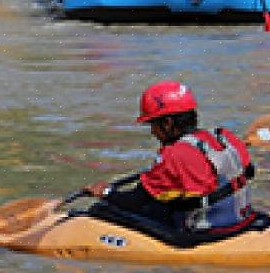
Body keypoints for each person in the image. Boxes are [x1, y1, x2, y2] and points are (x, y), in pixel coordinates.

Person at [83, 81, 260, 237]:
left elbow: (134, 202)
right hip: (242, 220)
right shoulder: (224, 137)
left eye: (152, 124)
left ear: (167, 123)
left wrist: (106, 192)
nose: (152, 132)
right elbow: (250, 171)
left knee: (104, 210)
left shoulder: (172, 155)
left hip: (208, 232)